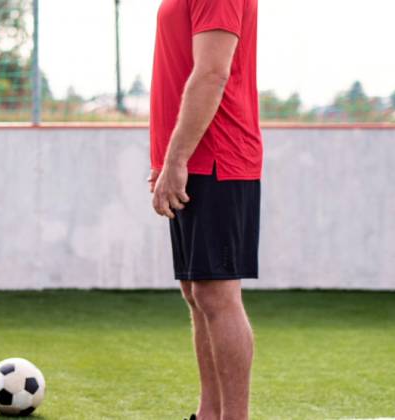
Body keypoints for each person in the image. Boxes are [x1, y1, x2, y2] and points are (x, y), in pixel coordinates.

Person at [148, 0, 262, 419]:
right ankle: (209, 414)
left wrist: (175, 160)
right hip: (191, 159)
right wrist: (165, 161)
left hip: (219, 158)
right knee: (196, 293)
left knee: (217, 293)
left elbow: (213, 73)